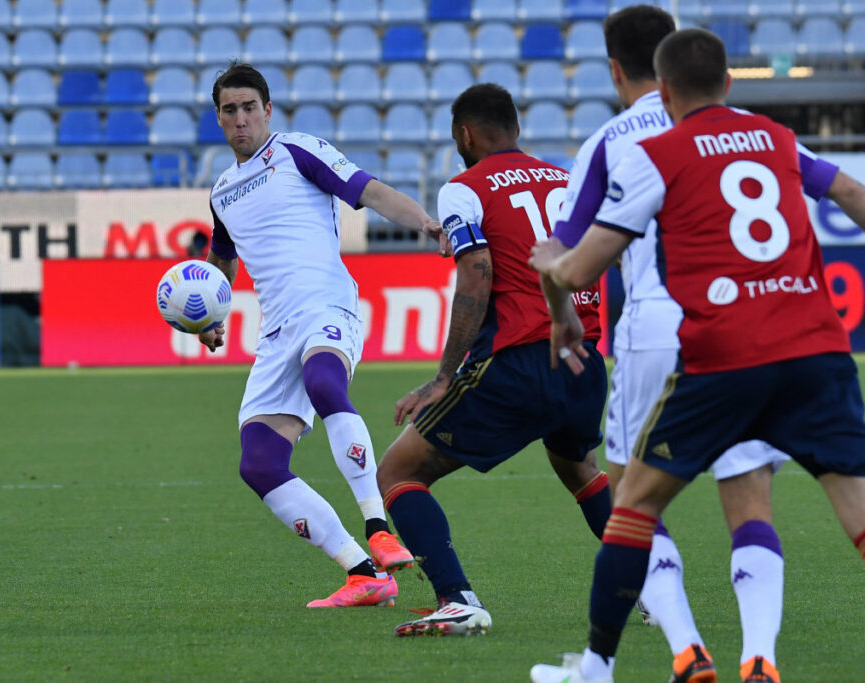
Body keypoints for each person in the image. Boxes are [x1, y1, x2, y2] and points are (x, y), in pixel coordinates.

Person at [529, 29, 865, 683]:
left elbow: (581, 266)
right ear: (730, 84)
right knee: (847, 507)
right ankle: (758, 656)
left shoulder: (656, 153)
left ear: (663, 91)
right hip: (815, 349)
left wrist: (553, 269)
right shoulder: (774, 137)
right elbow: (850, 192)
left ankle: (602, 664)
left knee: (633, 506)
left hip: (722, 355)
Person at [550, 7, 790, 681]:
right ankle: (760, 656)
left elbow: (566, 253)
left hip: (655, 328)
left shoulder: (608, 142)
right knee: (749, 498)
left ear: (616, 69)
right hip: (743, 325)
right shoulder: (747, 129)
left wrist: (561, 313)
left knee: (633, 503)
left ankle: (686, 648)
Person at [200, 62, 445, 607]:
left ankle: (378, 528)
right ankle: (364, 574)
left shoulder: (297, 151)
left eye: (249, 108)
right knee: (258, 463)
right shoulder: (221, 193)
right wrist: (210, 316)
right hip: (276, 332)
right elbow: (222, 259)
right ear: (218, 118)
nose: (240, 119)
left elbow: (369, 190)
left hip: (326, 304)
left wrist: (424, 221)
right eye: (229, 110)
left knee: (324, 382)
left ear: (268, 110)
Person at [375, 83, 612, 636]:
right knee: (578, 466)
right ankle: (652, 586)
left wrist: (442, 377)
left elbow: (477, 273)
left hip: (518, 362)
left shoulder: (464, 188)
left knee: (398, 471)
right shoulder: (566, 180)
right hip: (583, 358)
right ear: (517, 129)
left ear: (464, 134)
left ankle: (456, 599)